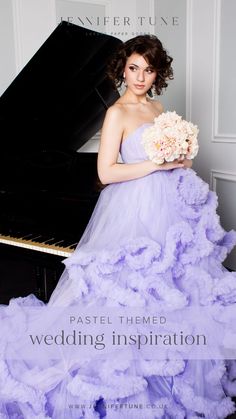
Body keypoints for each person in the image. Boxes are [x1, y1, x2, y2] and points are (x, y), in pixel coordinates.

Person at [1, 34, 236, 419]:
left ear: (158, 73)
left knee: (176, 285)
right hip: (131, 209)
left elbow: (170, 159)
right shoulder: (116, 112)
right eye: (133, 68)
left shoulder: (159, 108)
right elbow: (107, 172)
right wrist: (156, 164)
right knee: (132, 293)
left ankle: (175, 368)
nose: (140, 77)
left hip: (170, 208)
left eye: (148, 69)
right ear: (122, 69)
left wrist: (178, 157)